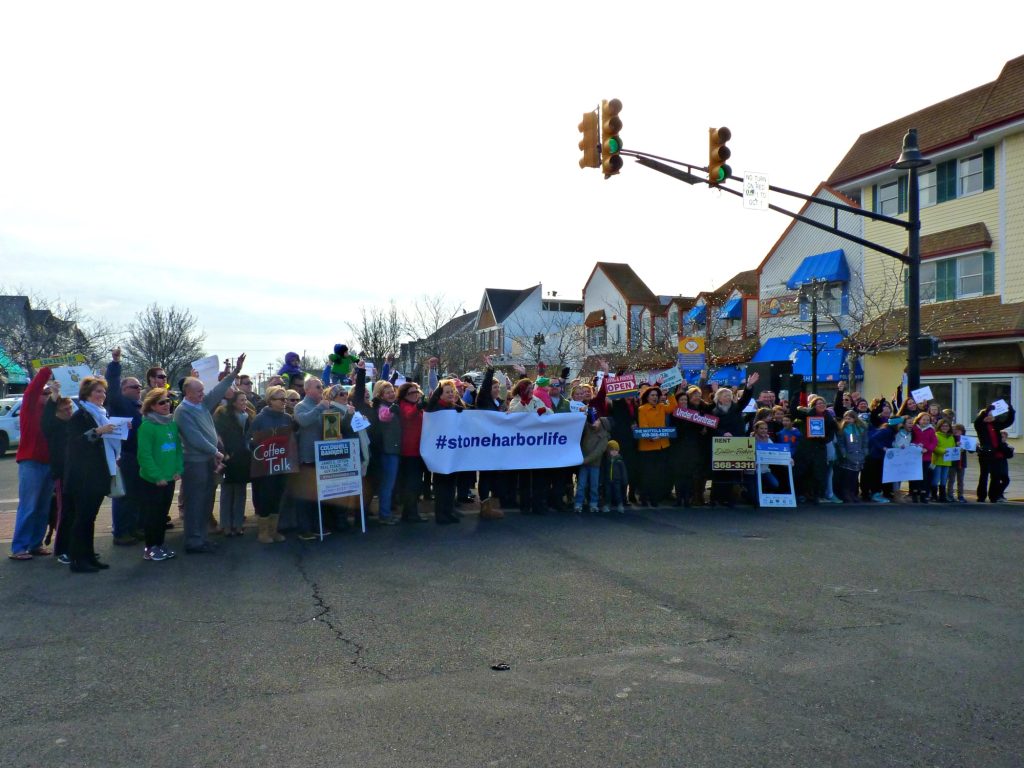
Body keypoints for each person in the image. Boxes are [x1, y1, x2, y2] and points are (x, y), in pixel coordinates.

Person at [174, 353, 246, 553]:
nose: (203, 394)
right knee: (195, 502)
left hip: (208, 460)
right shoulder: (183, 411)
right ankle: (193, 540)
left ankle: (201, 537)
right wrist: (216, 452)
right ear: (187, 392)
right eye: (199, 391)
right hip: (195, 462)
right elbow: (194, 438)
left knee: (206, 501)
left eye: (202, 390)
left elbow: (219, 389)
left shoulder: (201, 404)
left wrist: (235, 372)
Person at [65, 376, 122, 573]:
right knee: (82, 518)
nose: (102, 395)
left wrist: (120, 430)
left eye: (103, 392)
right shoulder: (80, 416)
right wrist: (98, 432)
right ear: (87, 394)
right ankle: (78, 560)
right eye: (98, 392)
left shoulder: (101, 414)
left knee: (90, 518)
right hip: (83, 476)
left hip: (98, 474)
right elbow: (75, 444)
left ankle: (88, 556)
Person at [292, 377, 348, 539]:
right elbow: (304, 421)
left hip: (322, 457)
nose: (320, 389)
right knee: (305, 497)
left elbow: (329, 427)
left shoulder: (323, 406)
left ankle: (317, 526)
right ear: (307, 389)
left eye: (321, 386)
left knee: (318, 495)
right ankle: (304, 529)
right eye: (317, 387)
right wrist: (319, 408)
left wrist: (336, 432)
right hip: (307, 458)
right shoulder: (301, 406)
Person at [9, 366, 54, 561]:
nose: (46, 395)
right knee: (29, 505)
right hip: (31, 462)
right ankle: (19, 547)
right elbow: (32, 390)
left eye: (49, 393)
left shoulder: (51, 412)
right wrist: (47, 371)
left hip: (49, 462)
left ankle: (35, 544)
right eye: (44, 392)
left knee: (43, 506)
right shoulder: (28, 408)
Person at [136, 388, 183, 561]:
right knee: (152, 514)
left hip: (169, 477)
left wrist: (178, 469)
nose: (166, 405)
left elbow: (178, 448)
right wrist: (157, 476)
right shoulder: (147, 426)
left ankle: (160, 544)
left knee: (162, 514)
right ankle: (150, 548)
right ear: (152, 406)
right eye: (161, 402)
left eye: (167, 401)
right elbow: (144, 455)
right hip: (153, 480)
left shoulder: (171, 423)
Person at [105, 347, 145, 546]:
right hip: (125, 454)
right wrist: (115, 363)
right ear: (124, 390)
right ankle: (121, 532)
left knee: (136, 494)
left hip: (138, 455)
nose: (139, 390)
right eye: (134, 387)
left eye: (139, 387)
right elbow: (111, 387)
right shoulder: (119, 403)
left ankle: (134, 527)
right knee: (124, 495)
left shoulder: (138, 407)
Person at [250, 385, 292, 543]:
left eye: (285, 399)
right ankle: (263, 532)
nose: (284, 402)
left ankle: (274, 530)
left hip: (281, 464)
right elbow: (249, 439)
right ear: (270, 400)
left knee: (277, 496)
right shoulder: (260, 418)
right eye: (281, 399)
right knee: (265, 497)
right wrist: (257, 444)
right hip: (264, 466)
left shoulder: (287, 418)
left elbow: (292, 439)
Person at [709, 372, 759, 507]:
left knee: (733, 472)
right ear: (718, 398)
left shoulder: (736, 408)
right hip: (721, 445)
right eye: (725, 396)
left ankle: (730, 498)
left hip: (737, 443)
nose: (728, 398)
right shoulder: (713, 411)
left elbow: (745, 399)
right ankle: (715, 498)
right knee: (719, 472)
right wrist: (723, 433)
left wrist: (748, 386)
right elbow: (712, 427)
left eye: (730, 396)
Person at [41, 382, 74, 564]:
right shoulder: (52, 426)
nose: (68, 411)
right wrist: (54, 395)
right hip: (62, 474)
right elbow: (46, 418)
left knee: (76, 511)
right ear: (56, 411)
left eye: (70, 407)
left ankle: (75, 546)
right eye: (64, 409)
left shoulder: (73, 423)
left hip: (76, 472)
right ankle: (61, 549)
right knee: (64, 512)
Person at [424, 379, 465, 524]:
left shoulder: (454, 407)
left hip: (452, 452)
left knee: (451, 484)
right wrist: (440, 385)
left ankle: (449, 511)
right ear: (440, 395)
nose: (450, 394)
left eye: (452, 392)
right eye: (447, 392)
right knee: (441, 485)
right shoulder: (435, 408)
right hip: (440, 453)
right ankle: (440, 514)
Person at [214, 390, 252, 536]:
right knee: (227, 492)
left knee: (241, 492)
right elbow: (219, 437)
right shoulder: (223, 416)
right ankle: (226, 525)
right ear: (234, 402)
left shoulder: (248, 416)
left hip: (243, 458)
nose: (244, 403)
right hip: (228, 458)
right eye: (241, 400)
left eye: (245, 400)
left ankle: (237, 524)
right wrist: (225, 454)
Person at [634, 383, 677, 507]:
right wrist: (651, 436)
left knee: (658, 474)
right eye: (652, 395)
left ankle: (654, 498)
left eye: (656, 395)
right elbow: (644, 426)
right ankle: (644, 497)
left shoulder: (662, 407)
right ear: (647, 397)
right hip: (648, 446)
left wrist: (669, 394)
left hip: (662, 446)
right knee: (647, 474)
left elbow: (673, 406)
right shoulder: (642, 409)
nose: (654, 397)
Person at [396, 381, 428, 523]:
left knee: (414, 483)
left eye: (417, 392)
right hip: (409, 451)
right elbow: (409, 415)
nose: (415, 395)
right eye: (411, 393)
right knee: (412, 483)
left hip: (418, 449)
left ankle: (409, 512)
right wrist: (420, 405)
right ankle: (411, 513)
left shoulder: (415, 406)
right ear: (405, 395)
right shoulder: (404, 406)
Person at [974, 403, 1015, 503]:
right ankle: (981, 496)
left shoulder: (996, 425)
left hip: (996, 453)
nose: (990, 417)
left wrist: (1011, 411)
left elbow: (1008, 422)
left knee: (996, 476)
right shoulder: (980, 425)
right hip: (985, 453)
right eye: (989, 415)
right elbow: (978, 421)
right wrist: (986, 412)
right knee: (984, 475)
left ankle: (993, 496)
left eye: (992, 416)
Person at [576, 406, 611, 515]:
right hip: (583, 464)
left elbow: (598, 452)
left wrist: (583, 460)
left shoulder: (604, 436)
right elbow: (580, 426)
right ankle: (578, 503)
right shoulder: (587, 428)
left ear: (601, 422)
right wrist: (583, 414)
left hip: (594, 464)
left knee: (594, 486)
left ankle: (593, 504)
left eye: (596, 420)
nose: (594, 422)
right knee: (581, 485)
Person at [835, 410, 868, 503]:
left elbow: (865, 441)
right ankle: (845, 493)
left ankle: (852, 493)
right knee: (847, 476)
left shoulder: (861, 429)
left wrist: (864, 451)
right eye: (846, 418)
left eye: (849, 418)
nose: (847, 420)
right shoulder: (843, 429)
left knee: (855, 476)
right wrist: (844, 453)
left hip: (859, 455)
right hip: (848, 455)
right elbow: (841, 443)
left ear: (854, 419)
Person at [910, 412, 937, 504]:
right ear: (919, 420)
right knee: (914, 477)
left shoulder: (931, 430)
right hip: (914, 457)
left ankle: (923, 495)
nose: (925, 421)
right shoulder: (913, 428)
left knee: (924, 477)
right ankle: (914, 494)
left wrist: (927, 449)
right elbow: (910, 439)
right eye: (923, 419)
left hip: (926, 457)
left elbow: (934, 442)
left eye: (927, 420)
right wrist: (914, 446)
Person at [931, 419, 956, 503]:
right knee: (936, 479)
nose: (945, 428)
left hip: (947, 461)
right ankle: (934, 496)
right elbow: (934, 447)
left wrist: (958, 449)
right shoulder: (936, 435)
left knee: (944, 479)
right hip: (938, 460)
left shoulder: (951, 437)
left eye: (947, 426)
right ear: (939, 426)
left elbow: (953, 448)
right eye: (943, 426)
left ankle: (942, 496)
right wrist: (942, 451)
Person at [604, 440, 629, 515]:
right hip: (608, 480)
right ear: (608, 451)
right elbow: (603, 470)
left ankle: (620, 505)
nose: (614, 452)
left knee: (618, 493)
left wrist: (625, 481)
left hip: (617, 480)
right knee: (608, 493)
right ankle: (607, 505)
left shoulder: (620, 460)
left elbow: (624, 472)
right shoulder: (606, 460)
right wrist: (601, 480)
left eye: (616, 450)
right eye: (612, 450)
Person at [948, 424, 969, 503]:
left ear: (962, 431)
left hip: (962, 462)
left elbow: (971, 450)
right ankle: (949, 495)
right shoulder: (951, 438)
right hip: (952, 462)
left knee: (960, 480)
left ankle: (960, 495)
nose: (956, 431)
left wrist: (974, 445)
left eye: (958, 430)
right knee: (951, 479)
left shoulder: (965, 439)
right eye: (954, 429)